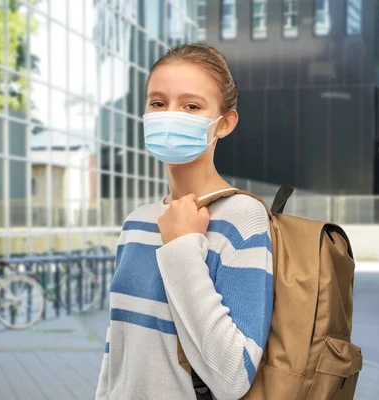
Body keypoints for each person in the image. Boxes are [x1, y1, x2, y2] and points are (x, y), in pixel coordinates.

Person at [95, 44, 273, 400]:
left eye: (191, 106)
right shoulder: (138, 222)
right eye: (158, 103)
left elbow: (234, 376)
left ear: (225, 123)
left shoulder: (243, 219)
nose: (169, 115)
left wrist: (182, 247)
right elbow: (117, 355)